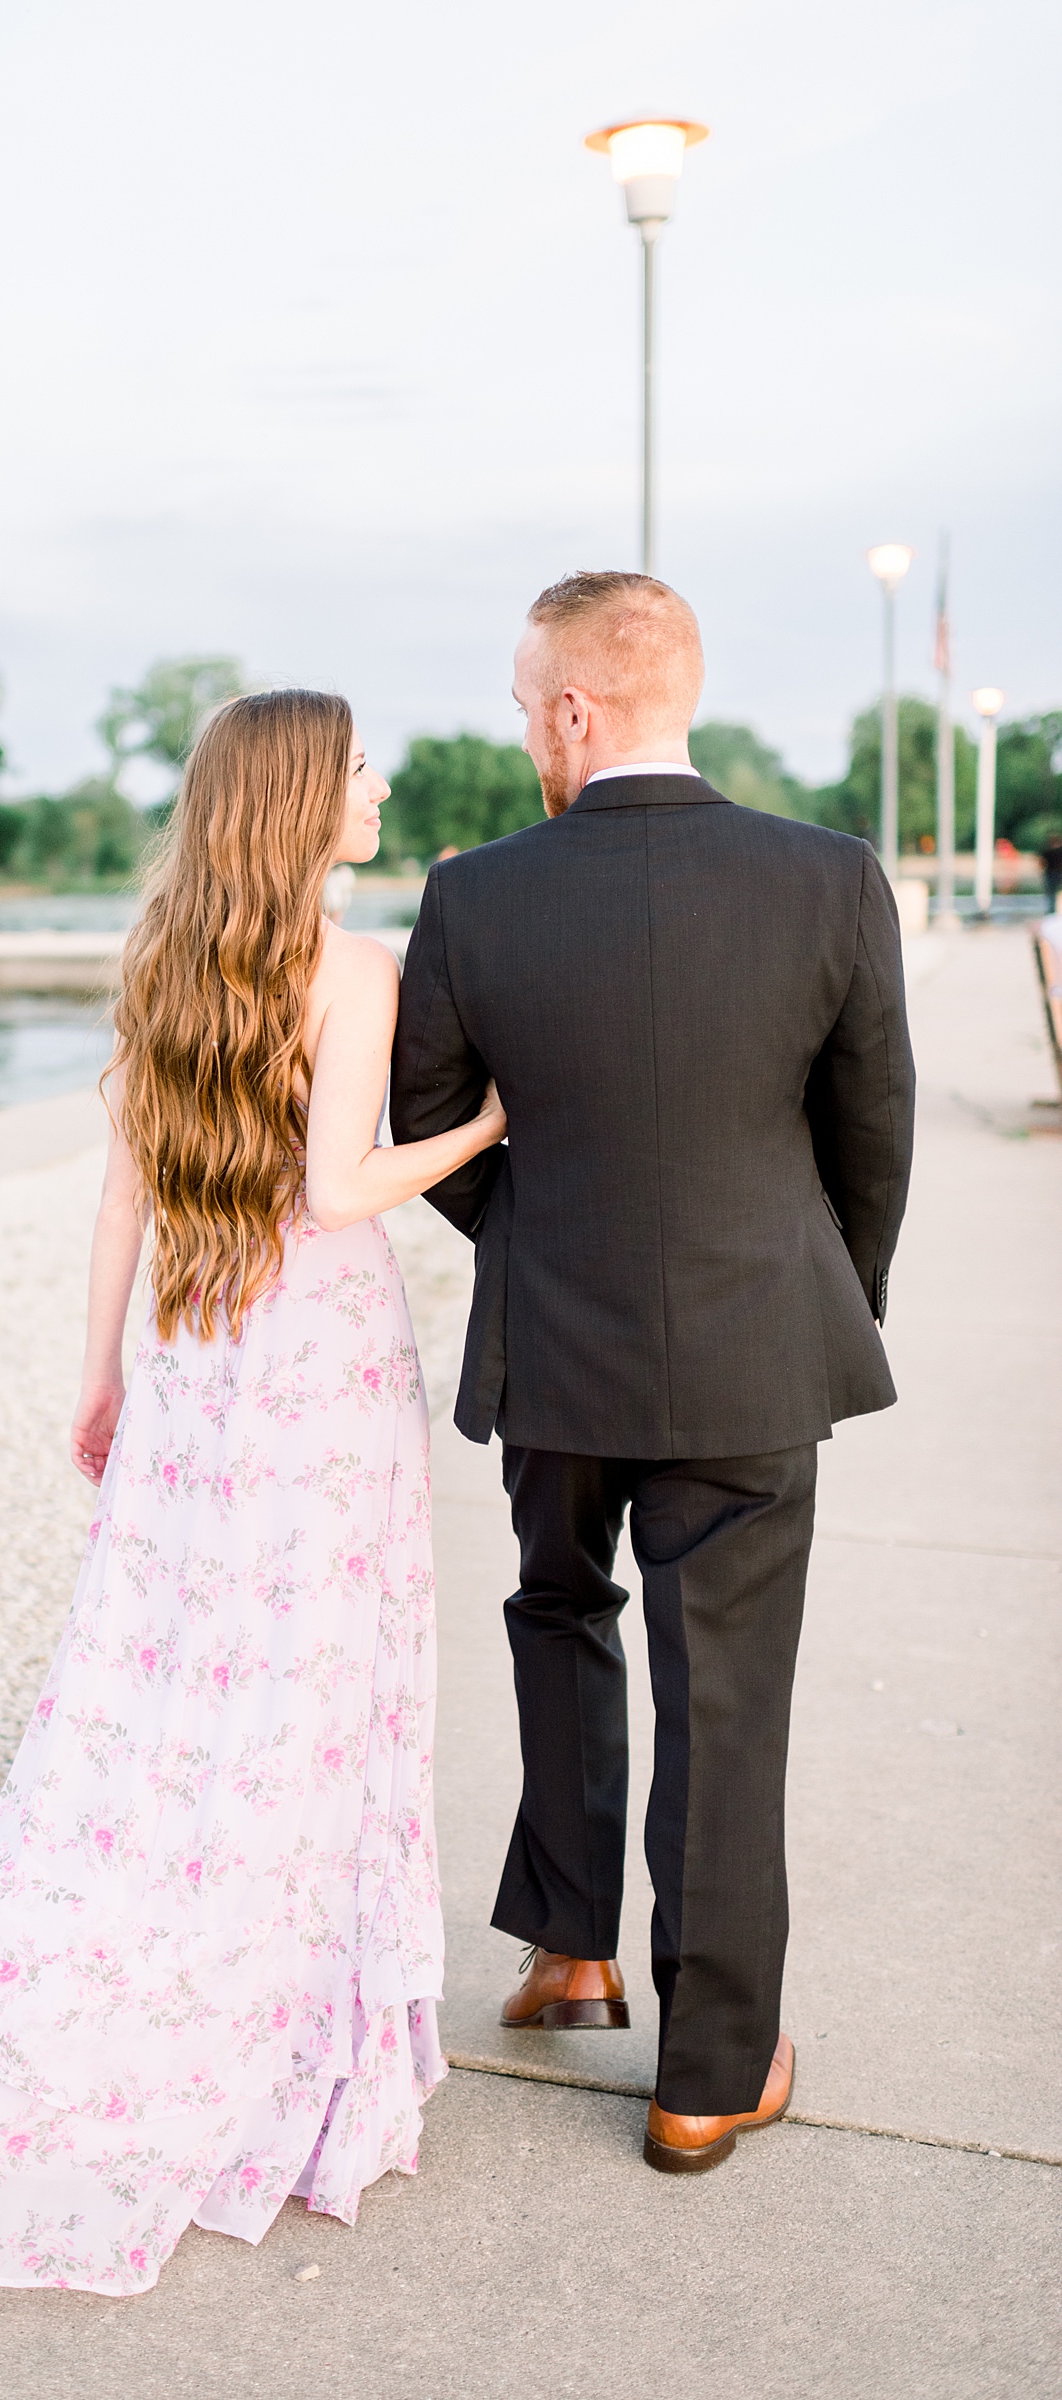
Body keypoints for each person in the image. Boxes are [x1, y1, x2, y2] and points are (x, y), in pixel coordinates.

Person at [0, 691, 506, 2291]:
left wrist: (96, 1373)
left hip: (189, 1348)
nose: (379, 787)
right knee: (314, 1674)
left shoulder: (168, 957)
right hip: (311, 1364)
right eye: (362, 766)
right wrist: (476, 1130)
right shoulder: (353, 967)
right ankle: (290, 1989)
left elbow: (121, 1190)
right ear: (307, 796)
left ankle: (161, 1891)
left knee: (179, 1659)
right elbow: (336, 1189)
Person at [390, 572, 913, 2175]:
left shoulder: (473, 896)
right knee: (727, 1701)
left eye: (518, 700)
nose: (519, 728)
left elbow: (428, 1133)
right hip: (755, 1350)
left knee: (557, 1611)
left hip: (552, 1348)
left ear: (571, 708)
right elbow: (868, 1135)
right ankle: (706, 2073)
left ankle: (569, 1948)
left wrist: (532, 1236)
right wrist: (818, 1297)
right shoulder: (828, 878)